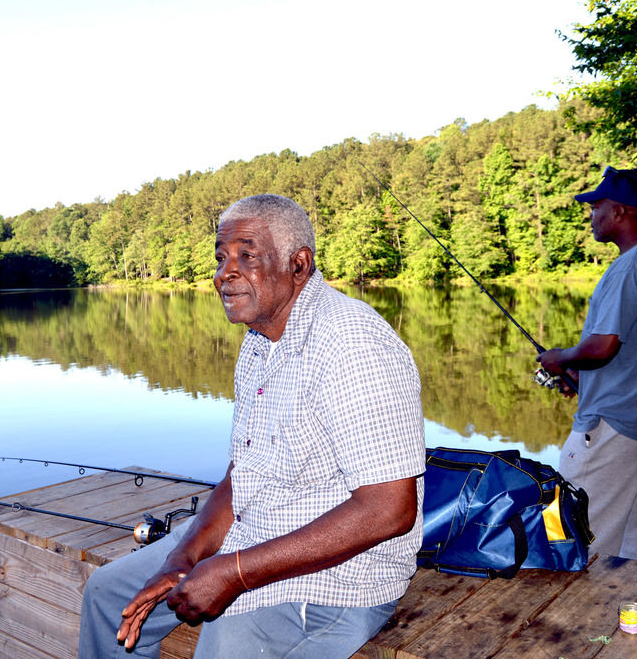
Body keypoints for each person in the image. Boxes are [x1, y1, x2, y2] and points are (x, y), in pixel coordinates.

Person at [78, 194, 425, 659]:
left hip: (335, 580)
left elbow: (389, 510)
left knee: (226, 637)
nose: (225, 273)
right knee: (108, 596)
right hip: (252, 533)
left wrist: (235, 572)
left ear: (299, 265)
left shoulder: (353, 344)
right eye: (221, 258)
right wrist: (182, 559)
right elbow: (242, 473)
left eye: (247, 255)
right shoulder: (259, 343)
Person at [537, 167, 637, 563]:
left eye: (595, 206)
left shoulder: (632, 265)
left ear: (619, 211)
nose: (591, 216)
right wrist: (583, 378)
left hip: (613, 424)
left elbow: (603, 347)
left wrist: (559, 358)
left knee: (566, 522)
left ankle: (571, 616)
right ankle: (630, 611)